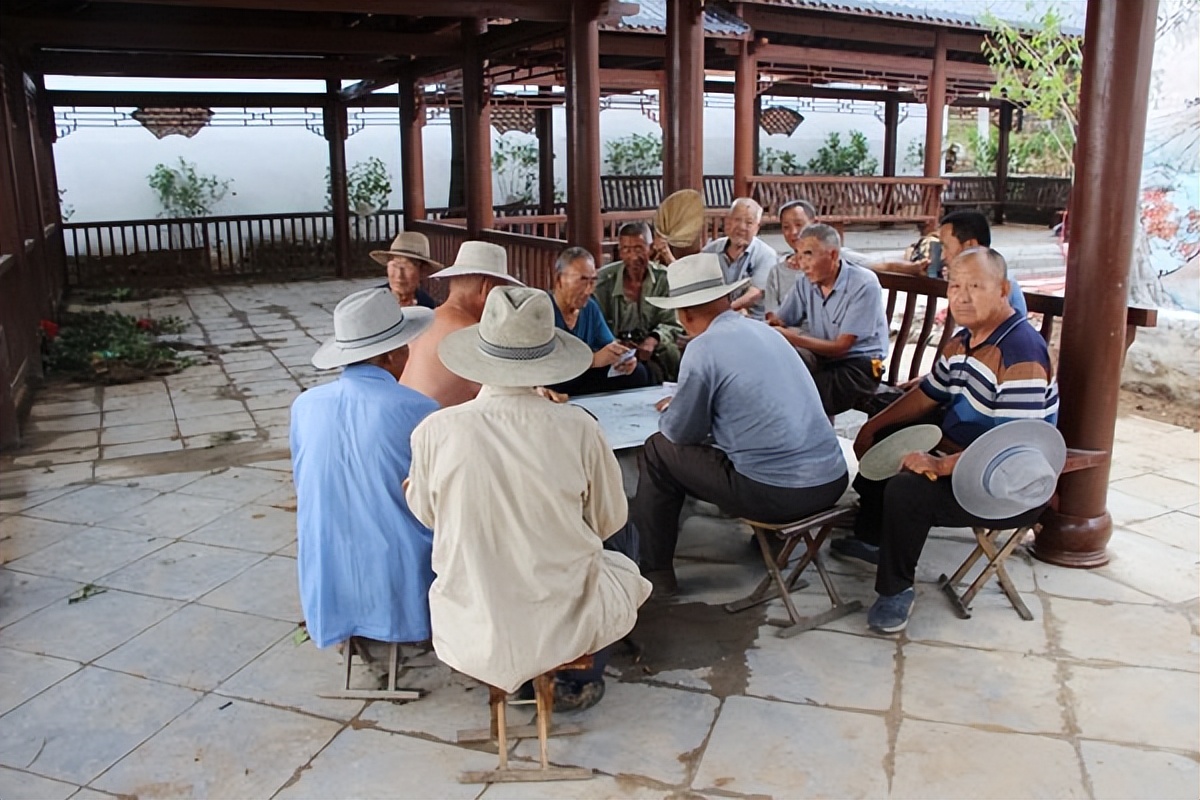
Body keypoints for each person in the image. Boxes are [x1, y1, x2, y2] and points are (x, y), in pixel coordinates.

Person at [406, 286, 651, 710]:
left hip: (473, 618)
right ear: (547, 359)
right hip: (560, 617)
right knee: (625, 541)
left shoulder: (435, 431)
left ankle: (522, 668)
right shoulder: (577, 427)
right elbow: (608, 520)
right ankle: (580, 676)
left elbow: (427, 517)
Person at [846, 247, 1059, 634]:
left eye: (975, 285)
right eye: (955, 284)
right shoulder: (965, 340)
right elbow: (930, 391)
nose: (961, 295)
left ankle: (896, 591)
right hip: (965, 456)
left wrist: (939, 465)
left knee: (909, 488)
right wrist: (872, 426)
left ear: (1003, 290)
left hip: (1008, 485)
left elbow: (1008, 449)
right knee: (890, 433)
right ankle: (874, 536)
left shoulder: (1021, 353)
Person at [629, 253, 849, 597]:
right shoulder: (766, 332)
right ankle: (777, 542)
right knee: (748, 440)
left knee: (659, 449)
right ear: (728, 299)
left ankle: (654, 572)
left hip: (779, 495)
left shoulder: (703, 348)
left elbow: (680, 432)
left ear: (683, 315)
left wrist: (679, 407)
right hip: (831, 482)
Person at [290, 287, 437, 651]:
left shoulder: (305, 405)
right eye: (405, 345)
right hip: (397, 564)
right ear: (390, 355)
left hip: (327, 561)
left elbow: (302, 480)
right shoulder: (418, 409)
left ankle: (344, 619)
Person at [765, 223, 890, 417]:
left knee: (801, 398)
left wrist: (791, 336)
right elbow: (780, 319)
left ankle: (815, 445)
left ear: (832, 255)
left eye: (808, 254)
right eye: (798, 255)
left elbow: (841, 346)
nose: (801, 263)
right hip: (823, 359)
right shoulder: (805, 283)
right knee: (773, 380)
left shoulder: (864, 284)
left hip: (859, 366)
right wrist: (771, 323)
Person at [399, 240, 524, 407]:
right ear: (487, 288)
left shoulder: (425, 319)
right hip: (434, 427)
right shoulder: (473, 334)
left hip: (404, 420)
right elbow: (503, 398)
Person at [547, 246, 651, 396]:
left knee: (638, 373)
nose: (589, 290)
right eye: (582, 281)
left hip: (583, 377)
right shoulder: (543, 310)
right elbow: (545, 364)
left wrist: (622, 358)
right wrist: (592, 361)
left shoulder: (590, 307)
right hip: (555, 379)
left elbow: (608, 344)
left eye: (593, 281)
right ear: (559, 280)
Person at [594, 222, 684, 383]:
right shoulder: (603, 280)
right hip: (614, 351)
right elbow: (596, 323)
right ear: (620, 252)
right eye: (626, 250)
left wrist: (653, 339)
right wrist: (616, 344)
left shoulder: (664, 279)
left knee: (669, 354)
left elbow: (673, 323)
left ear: (650, 248)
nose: (633, 256)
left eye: (638, 249)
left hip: (654, 352)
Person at [699, 198, 777, 320]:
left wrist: (725, 310)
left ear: (757, 228)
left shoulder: (766, 254)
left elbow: (755, 293)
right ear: (728, 222)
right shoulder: (710, 250)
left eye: (749, 222)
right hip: (714, 317)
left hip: (751, 319)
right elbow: (697, 284)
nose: (741, 227)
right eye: (737, 220)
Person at [370, 232, 440, 309]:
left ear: (422, 272)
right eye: (394, 265)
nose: (399, 275)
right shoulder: (372, 300)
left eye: (407, 267)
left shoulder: (427, 305)